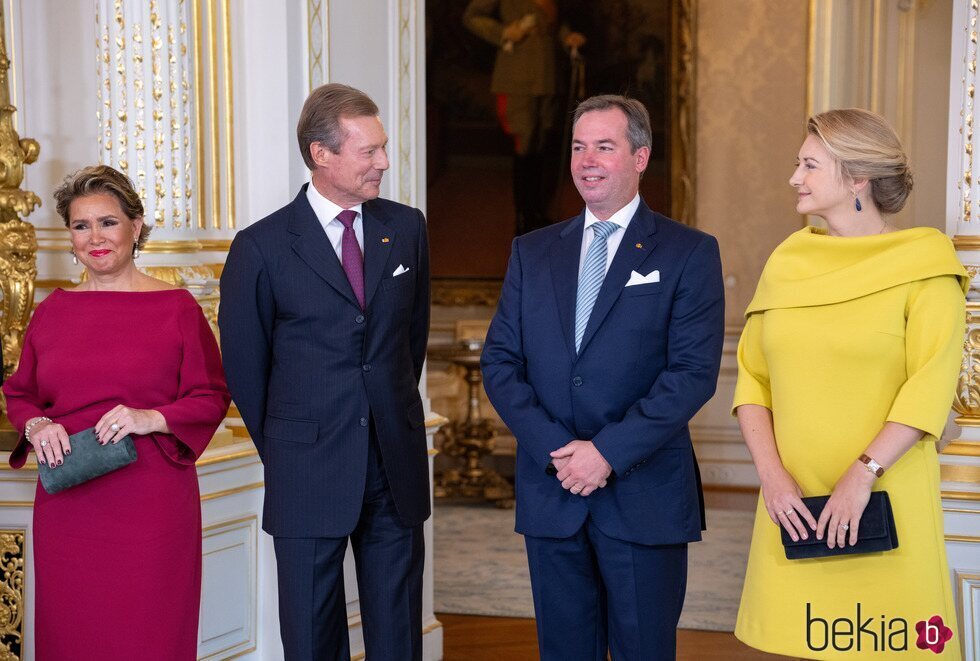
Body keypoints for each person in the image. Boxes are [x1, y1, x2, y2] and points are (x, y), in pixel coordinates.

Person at [481, 94, 725, 660]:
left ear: (640, 157)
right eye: (578, 146)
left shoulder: (690, 252)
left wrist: (606, 453)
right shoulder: (532, 251)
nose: (587, 159)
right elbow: (500, 362)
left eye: (605, 146)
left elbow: (691, 374)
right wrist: (558, 449)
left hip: (643, 496)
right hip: (553, 491)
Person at [733, 109, 966, 660]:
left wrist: (861, 477)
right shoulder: (788, 260)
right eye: (798, 164)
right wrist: (773, 478)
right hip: (792, 500)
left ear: (858, 178)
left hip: (883, 496)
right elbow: (751, 380)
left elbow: (928, 386)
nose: (795, 177)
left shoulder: (926, 265)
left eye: (810, 165)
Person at [218, 83, 431, 661]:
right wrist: (291, 446)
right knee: (312, 639)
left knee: (398, 635)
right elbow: (245, 367)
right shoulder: (260, 248)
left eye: (383, 148)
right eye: (370, 152)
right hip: (306, 467)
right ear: (322, 154)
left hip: (394, 464)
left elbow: (408, 344)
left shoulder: (406, 227)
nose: (384, 162)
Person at [2, 165, 230, 660]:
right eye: (81, 226)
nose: (95, 238)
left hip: (150, 502)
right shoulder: (52, 311)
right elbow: (20, 393)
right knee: (74, 636)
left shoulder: (177, 308)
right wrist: (37, 423)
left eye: (107, 222)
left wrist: (152, 418)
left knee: (149, 635)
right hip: (70, 506)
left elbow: (211, 395)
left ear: (137, 226)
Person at [463, 0, 586, 236]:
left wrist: (567, 36)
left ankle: (536, 213)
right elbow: (472, 16)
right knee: (524, 146)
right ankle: (523, 217)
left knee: (540, 145)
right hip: (517, 76)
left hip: (547, 76)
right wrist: (504, 33)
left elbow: (552, 23)